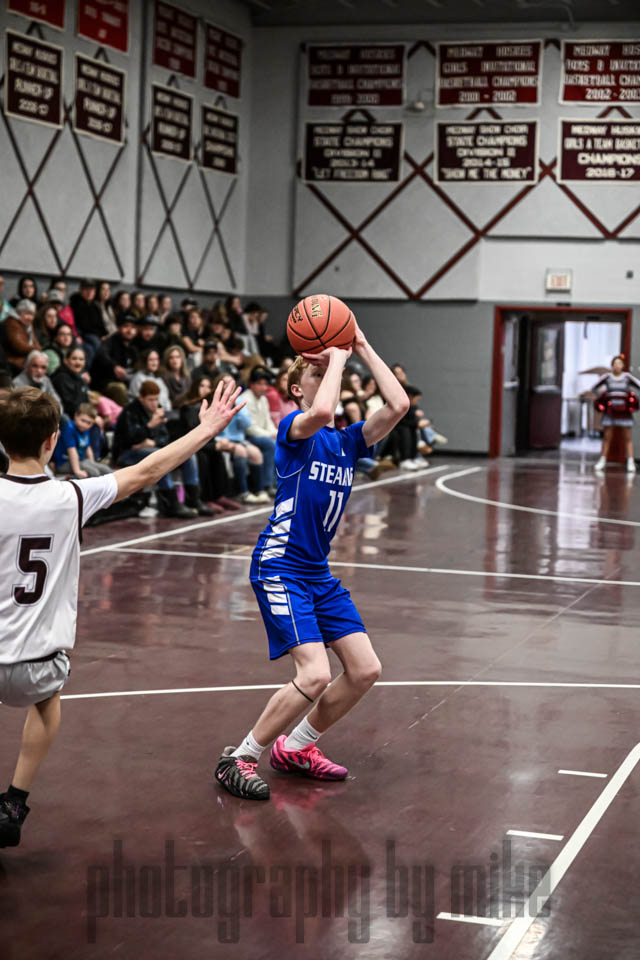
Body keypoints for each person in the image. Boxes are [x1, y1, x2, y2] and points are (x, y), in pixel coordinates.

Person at [0, 380, 243, 847]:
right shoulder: (71, 496)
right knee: (47, 702)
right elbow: (147, 470)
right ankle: (14, 800)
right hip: (39, 665)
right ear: (53, 440)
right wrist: (206, 429)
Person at [214, 319, 409, 800]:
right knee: (315, 673)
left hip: (316, 573)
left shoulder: (348, 442)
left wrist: (362, 344)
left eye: (327, 374)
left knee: (364, 669)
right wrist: (337, 356)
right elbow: (322, 411)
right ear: (296, 389)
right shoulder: (294, 431)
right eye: (315, 375)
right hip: (279, 567)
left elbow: (399, 405)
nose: (325, 378)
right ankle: (238, 758)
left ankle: (298, 746)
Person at [112, 380, 207, 518]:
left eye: (156, 399)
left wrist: (151, 442)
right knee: (158, 456)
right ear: (141, 398)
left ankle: (193, 499)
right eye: (150, 400)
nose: (154, 403)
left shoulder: (159, 410)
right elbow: (128, 440)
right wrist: (149, 426)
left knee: (189, 455)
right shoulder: (130, 411)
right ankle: (171, 503)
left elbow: (164, 437)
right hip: (126, 453)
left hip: (150, 449)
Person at [593, 355, 640, 473]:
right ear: (612, 365)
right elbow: (594, 388)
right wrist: (602, 396)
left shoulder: (627, 377)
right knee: (607, 437)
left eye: (619, 363)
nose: (617, 366)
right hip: (610, 411)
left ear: (623, 365)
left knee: (627, 437)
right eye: (615, 363)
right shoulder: (607, 377)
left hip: (624, 411)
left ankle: (630, 461)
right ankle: (602, 460)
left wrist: (633, 399)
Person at [52, 403, 111, 478]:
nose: (85, 425)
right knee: (94, 472)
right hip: (63, 463)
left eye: (89, 423)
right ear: (76, 416)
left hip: (80, 461)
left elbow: (88, 448)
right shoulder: (69, 428)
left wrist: (92, 463)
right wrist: (77, 471)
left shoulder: (85, 430)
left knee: (105, 469)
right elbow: (72, 451)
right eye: (83, 421)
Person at [90, 312, 138, 403]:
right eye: (126, 326)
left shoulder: (133, 348)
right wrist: (114, 367)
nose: (130, 330)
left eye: (133, 327)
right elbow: (101, 355)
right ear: (118, 328)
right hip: (105, 383)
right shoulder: (110, 342)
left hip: (126, 381)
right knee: (120, 388)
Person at [243, 366, 277, 493]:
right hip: (248, 436)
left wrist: (276, 433)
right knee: (269, 444)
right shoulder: (245, 399)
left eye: (265, 384)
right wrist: (270, 435)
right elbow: (249, 428)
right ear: (252, 384)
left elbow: (268, 421)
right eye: (259, 384)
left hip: (262, 434)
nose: (263, 387)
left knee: (281, 441)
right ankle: (267, 484)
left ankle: (277, 482)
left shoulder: (263, 399)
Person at [69, 278, 106, 363]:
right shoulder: (75, 304)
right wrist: (78, 336)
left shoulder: (95, 305)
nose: (89, 293)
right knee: (96, 346)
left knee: (92, 349)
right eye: (86, 289)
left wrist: (104, 334)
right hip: (84, 335)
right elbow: (76, 324)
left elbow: (101, 323)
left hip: (96, 335)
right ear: (81, 290)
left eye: (92, 290)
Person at [1, 299, 40, 372]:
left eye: (32, 314)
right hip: (11, 362)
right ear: (19, 313)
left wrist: (38, 350)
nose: (30, 317)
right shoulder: (11, 323)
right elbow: (20, 347)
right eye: (27, 313)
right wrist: (37, 350)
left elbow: (35, 342)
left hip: (24, 359)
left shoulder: (28, 325)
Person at [51, 347, 90, 417]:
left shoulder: (80, 378)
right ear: (65, 360)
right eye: (74, 359)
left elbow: (86, 401)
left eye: (81, 359)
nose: (78, 362)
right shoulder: (61, 378)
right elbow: (69, 407)